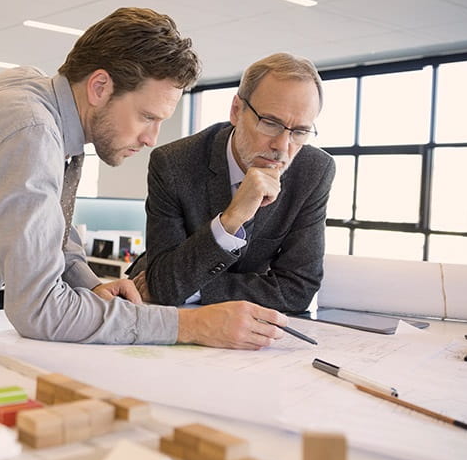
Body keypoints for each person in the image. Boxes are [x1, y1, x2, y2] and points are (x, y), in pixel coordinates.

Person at [0, 8, 293, 350]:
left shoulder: (32, 92)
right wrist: (190, 325)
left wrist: (89, 281)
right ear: (99, 87)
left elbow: (49, 226)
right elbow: (38, 312)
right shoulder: (32, 132)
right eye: (146, 116)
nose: (151, 138)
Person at [129, 52, 334, 314]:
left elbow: (297, 290)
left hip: (230, 316)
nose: (282, 147)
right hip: (156, 307)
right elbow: (164, 286)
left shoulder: (314, 170)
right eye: (270, 123)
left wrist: (197, 288)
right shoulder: (173, 163)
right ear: (237, 111)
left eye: (300, 132)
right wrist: (232, 218)